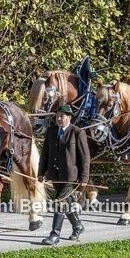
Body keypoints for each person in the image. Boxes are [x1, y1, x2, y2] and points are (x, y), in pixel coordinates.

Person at [39, 105, 90, 245]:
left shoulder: (77, 132)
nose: (59, 119)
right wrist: (41, 173)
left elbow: (85, 158)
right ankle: (78, 226)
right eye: (57, 116)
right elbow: (45, 154)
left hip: (70, 177)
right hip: (55, 175)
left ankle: (55, 235)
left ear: (69, 117)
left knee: (59, 203)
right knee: (66, 204)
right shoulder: (51, 131)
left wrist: (84, 178)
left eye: (62, 116)